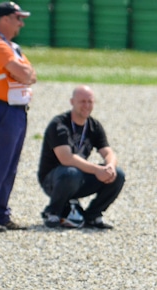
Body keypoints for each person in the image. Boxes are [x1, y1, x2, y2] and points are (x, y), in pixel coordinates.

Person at [0, 2, 36, 232]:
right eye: (17, 18)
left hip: (17, 110)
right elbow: (24, 73)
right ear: (4, 19)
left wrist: (24, 75)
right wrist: (24, 74)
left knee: (10, 166)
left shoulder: (13, 47)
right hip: (4, 109)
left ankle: (1, 214)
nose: (21, 23)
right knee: (0, 165)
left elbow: (32, 75)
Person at [38, 85, 125, 229]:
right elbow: (66, 158)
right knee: (71, 172)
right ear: (72, 102)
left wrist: (109, 167)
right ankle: (53, 212)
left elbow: (109, 152)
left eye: (90, 102)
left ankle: (93, 215)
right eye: (82, 101)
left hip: (78, 177)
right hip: (55, 179)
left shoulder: (94, 125)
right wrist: (97, 170)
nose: (86, 105)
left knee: (118, 174)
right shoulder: (59, 124)